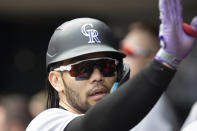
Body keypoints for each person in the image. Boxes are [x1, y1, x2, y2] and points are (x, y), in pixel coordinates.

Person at [26, 0, 197, 130]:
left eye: (107, 66)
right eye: (83, 69)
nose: (98, 77)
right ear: (56, 80)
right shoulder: (47, 123)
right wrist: (166, 60)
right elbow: (96, 125)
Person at [120, 22, 180, 131]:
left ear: (151, 60)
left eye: (127, 51)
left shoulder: (152, 105)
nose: (120, 56)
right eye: (120, 48)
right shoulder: (128, 97)